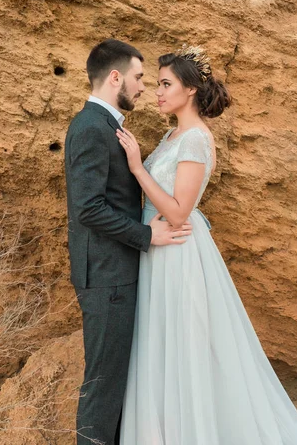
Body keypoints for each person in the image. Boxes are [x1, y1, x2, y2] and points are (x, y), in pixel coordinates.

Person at [117, 44, 297, 444]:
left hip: (178, 249)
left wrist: (136, 167)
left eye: (166, 84)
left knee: (182, 342)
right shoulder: (172, 135)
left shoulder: (197, 139)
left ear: (190, 90)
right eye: (158, 84)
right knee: (161, 341)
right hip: (159, 246)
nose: (158, 92)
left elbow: (181, 210)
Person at [64, 38, 192, 445]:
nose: (143, 87)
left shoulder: (106, 125)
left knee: (115, 384)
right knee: (103, 386)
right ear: (115, 77)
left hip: (114, 274)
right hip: (106, 277)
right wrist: (147, 235)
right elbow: (88, 207)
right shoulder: (90, 127)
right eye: (138, 77)